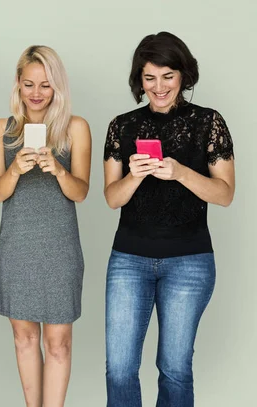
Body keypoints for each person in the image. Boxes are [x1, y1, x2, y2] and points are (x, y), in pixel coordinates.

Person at [103, 32, 235, 407]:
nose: (158, 87)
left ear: (183, 76)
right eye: (149, 78)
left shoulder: (208, 122)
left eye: (167, 76)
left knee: (175, 368)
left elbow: (225, 194)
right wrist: (135, 175)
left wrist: (180, 173)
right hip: (129, 259)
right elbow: (112, 198)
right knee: (119, 368)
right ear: (139, 80)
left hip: (189, 261)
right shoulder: (122, 126)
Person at [0, 45, 91, 407]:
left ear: (57, 87)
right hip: (17, 245)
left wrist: (58, 170)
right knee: (24, 339)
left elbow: (81, 192)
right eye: (29, 84)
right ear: (17, 83)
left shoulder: (75, 128)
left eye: (45, 85)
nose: (36, 93)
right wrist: (15, 169)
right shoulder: (1, 129)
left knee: (59, 342)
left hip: (60, 247)